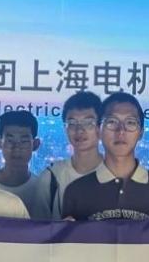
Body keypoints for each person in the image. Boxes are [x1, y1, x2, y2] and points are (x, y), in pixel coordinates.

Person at [61, 92, 149, 221]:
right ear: (98, 130)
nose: (121, 131)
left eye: (130, 123)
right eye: (112, 122)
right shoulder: (76, 191)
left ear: (141, 132)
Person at [31, 90, 104, 219]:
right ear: (65, 129)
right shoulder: (51, 178)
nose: (79, 130)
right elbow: (38, 229)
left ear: (100, 127)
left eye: (88, 123)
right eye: (72, 123)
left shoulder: (117, 175)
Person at [0, 110, 42, 212]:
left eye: (24, 141)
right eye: (10, 141)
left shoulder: (42, 190)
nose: (16, 148)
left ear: (35, 144)